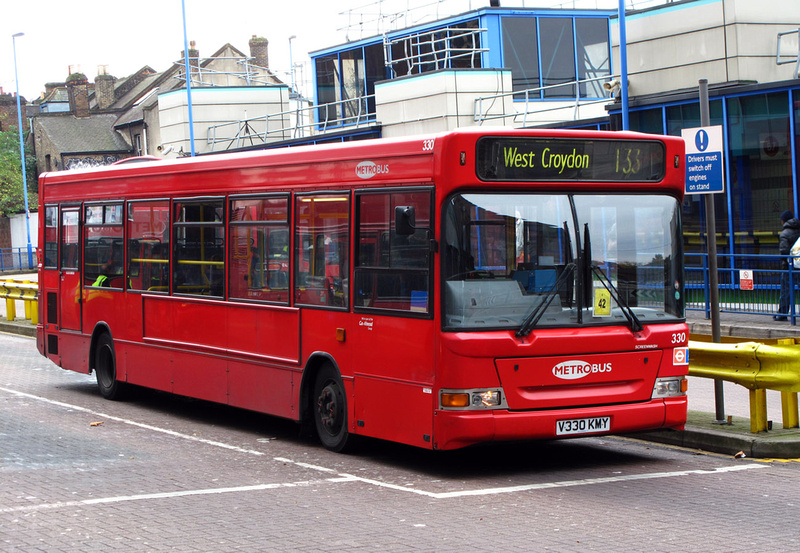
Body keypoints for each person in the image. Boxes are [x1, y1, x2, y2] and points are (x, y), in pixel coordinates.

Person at [776, 210, 800, 320]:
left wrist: (785, 261)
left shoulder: (785, 233)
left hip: (788, 266)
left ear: (783, 220)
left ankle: (783, 314)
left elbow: (783, 251)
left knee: (786, 290)